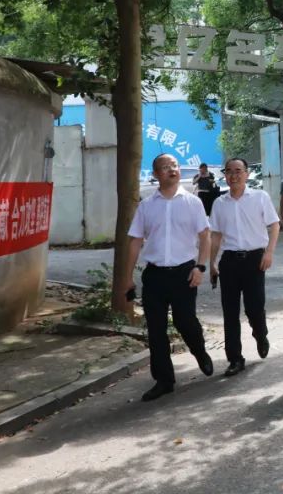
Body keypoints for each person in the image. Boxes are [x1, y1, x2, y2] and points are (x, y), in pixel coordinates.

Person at [121, 154, 213, 402]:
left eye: (174, 165)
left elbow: (205, 236)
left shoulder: (193, 202)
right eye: (165, 167)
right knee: (156, 328)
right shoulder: (146, 206)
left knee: (185, 321)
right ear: (155, 174)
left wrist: (200, 267)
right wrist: (127, 277)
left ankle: (199, 351)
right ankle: (164, 380)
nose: (171, 169)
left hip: (184, 272)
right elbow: (135, 241)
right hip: (155, 275)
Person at [208, 157, 280, 377]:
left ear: (246, 174)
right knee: (230, 312)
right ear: (225, 175)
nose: (234, 175)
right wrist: (211, 263)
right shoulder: (219, 203)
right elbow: (216, 235)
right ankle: (235, 359)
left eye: (238, 170)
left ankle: (260, 333)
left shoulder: (260, 197)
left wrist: (269, 252)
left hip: (255, 259)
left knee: (254, 308)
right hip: (229, 261)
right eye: (229, 171)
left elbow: (274, 225)